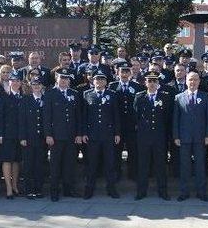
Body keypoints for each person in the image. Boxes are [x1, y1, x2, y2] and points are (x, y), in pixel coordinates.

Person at [172, 71, 208, 201]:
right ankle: (184, 192)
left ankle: (201, 192)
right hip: (184, 138)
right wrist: (176, 136)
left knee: (200, 166)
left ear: (199, 81)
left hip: (201, 138)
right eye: (190, 80)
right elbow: (175, 119)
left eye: (195, 80)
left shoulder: (206, 97)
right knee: (185, 166)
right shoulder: (179, 97)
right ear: (186, 81)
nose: (193, 82)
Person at [43, 68, 82, 201]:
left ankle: (68, 190)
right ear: (57, 79)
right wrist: (48, 135)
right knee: (55, 165)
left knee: (69, 164)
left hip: (71, 136)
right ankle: (54, 191)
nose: (64, 80)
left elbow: (78, 116)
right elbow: (47, 116)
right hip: (56, 136)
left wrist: (78, 134)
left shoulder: (74, 94)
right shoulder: (50, 94)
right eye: (62, 78)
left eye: (66, 78)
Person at [82, 70, 121, 199]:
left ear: (106, 82)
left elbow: (116, 115)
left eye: (102, 79)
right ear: (93, 81)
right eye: (97, 79)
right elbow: (84, 116)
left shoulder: (112, 94)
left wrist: (117, 133)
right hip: (92, 135)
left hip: (108, 135)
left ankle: (111, 189)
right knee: (92, 164)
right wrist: (84, 133)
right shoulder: (87, 94)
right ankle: (89, 189)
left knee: (110, 163)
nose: (99, 82)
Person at [134, 71, 172, 200]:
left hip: (159, 137)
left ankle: (163, 192)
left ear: (158, 83)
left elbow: (167, 118)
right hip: (144, 137)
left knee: (160, 165)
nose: (151, 83)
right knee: (142, 165)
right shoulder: (139, 97)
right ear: (145, 82)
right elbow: (136, 117)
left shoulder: (165, 97)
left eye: (154, 81)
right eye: (149, 81)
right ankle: (141, 191)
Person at [109, 62, 142, 182]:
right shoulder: (112, 86)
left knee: (133, 151)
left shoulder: (137, 87)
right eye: (122, 71)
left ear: (130, 73)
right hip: (117, 126)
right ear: (118, 73)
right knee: (116, 151)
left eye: (127, 71)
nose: (124, 74)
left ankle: (133, 174)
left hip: (132, 126)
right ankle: (116, 174)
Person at [0, 72, 24, 199]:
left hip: (20, 135)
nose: (16, 83)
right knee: (7, 160)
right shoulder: (3, 96)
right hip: (7, 134)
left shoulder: (25, 97)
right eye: (13, 80)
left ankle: (14, 185)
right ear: (9, 82)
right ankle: (8, 188)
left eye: (18, 81)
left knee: (17, 161)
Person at [19, 77, 47, 198]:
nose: (36, 86)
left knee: (39, 165)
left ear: (42, 86)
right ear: (31, 85)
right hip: (29, 138)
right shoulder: (25, 100)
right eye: (34, 84)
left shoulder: (46, 99)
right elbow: (21, 121)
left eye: (39, 84)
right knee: (28, 165)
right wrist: (22, 137)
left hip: (42, 138)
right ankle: (28, 190)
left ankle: (38, 189)